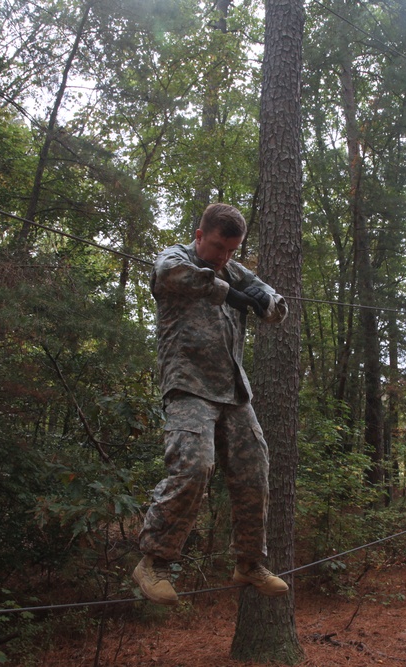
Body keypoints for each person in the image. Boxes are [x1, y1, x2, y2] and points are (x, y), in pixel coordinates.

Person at [132, 203, 289, 605]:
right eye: (218, 247)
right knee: (195, 465)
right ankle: (154, 562)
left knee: (255, 471)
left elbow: (274, 308)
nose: (223, 258)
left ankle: (250, 563)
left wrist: (265, 300)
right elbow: (171, 275)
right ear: (200, 235)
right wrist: (229, 292)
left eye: (231, 251)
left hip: (234, 392)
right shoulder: (176, 258)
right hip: (188, 386)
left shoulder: (235, 269)